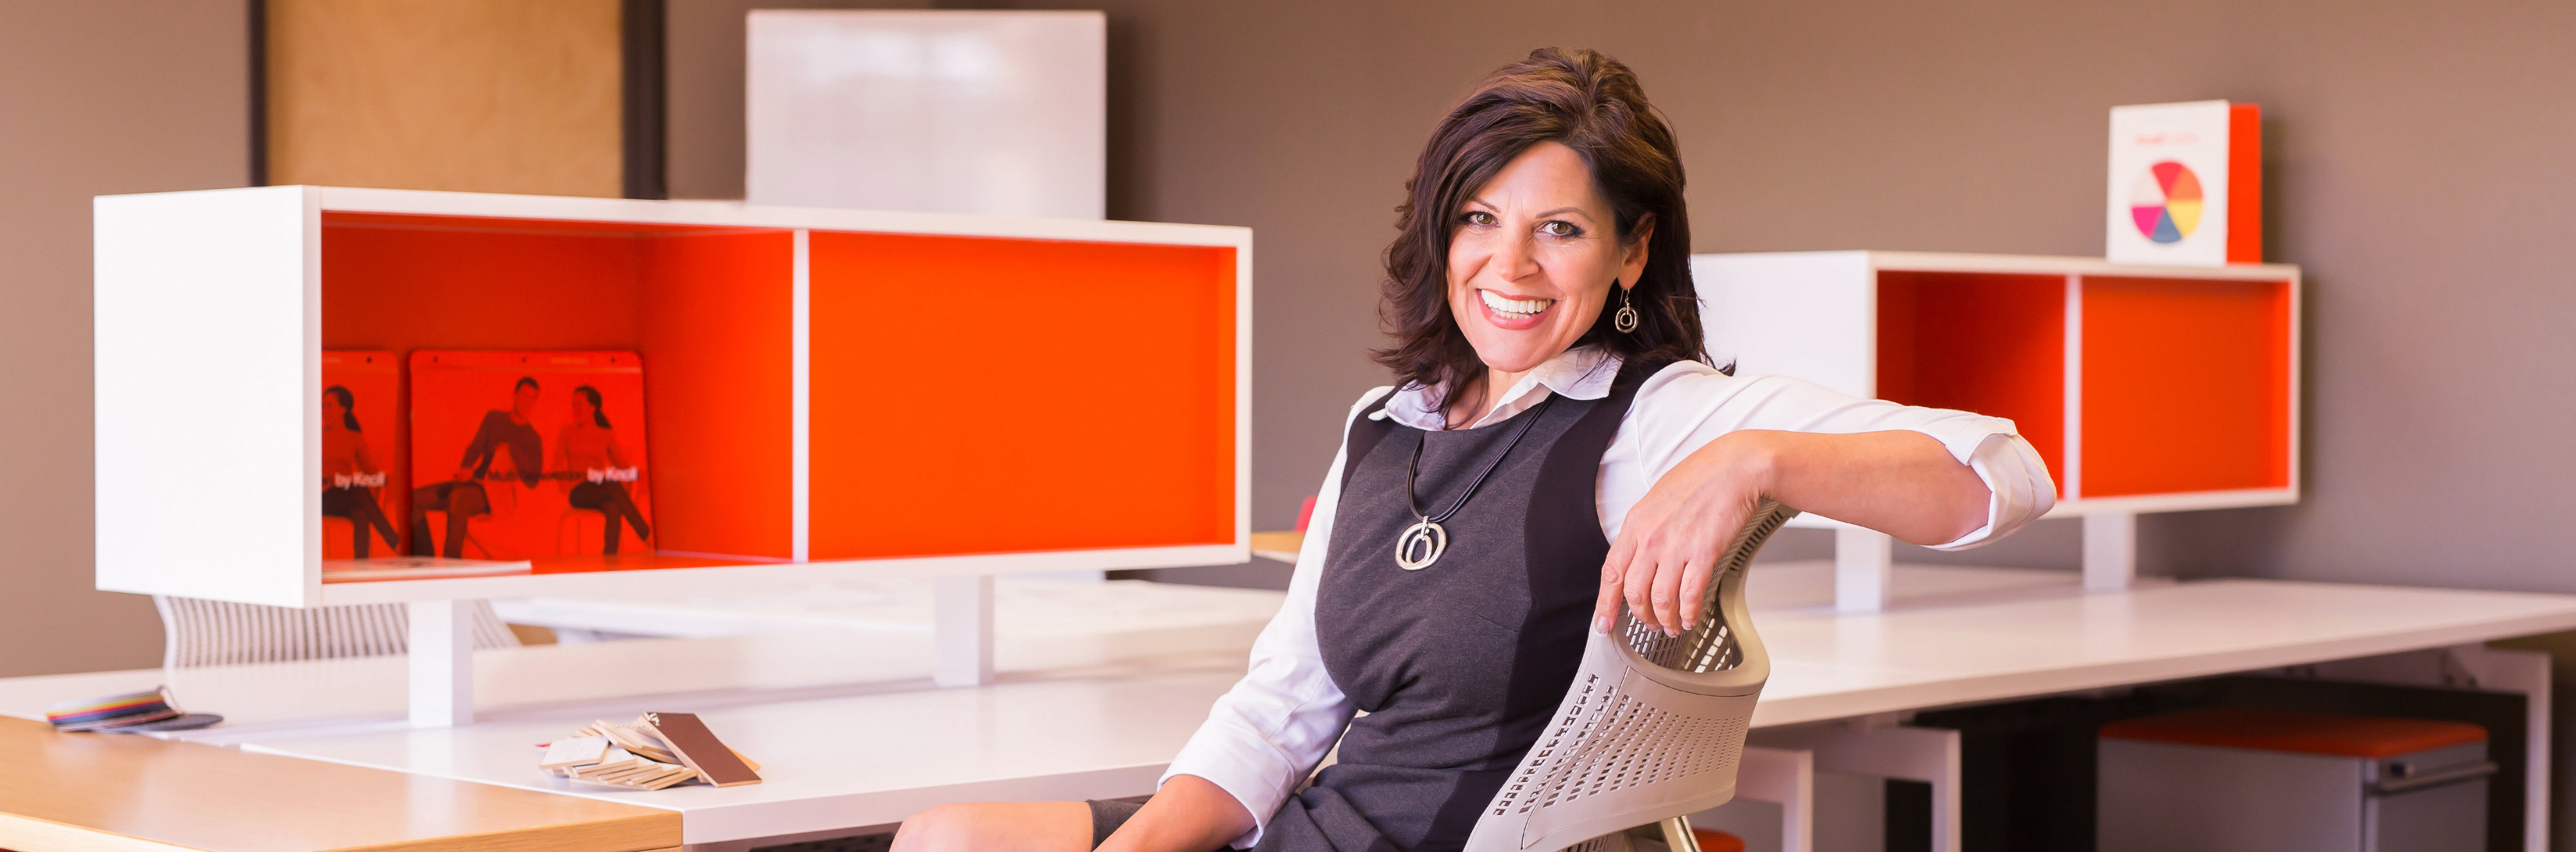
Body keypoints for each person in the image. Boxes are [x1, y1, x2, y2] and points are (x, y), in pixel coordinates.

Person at [893, 48, 2056, 852]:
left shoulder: (1656, 417)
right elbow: (1281, 708)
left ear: (1630, 252)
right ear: (1441, 231)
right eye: (1479, 219)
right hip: (1327, 817)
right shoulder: (1384, 423)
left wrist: (1755, 457)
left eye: (1559, 229)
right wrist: (1146, 840)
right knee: (947, 832)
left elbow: (2005, 475)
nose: (1510, 267)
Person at [410, 376, 545, 558]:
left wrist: (513, 449)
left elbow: (534, 481)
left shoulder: (533, 439)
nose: (527, 402)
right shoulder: (494, 418)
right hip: (474, 483)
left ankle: (452, 568)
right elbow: (475, 448)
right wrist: (465, 467)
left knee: (458, 500)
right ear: (515, 395)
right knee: (415, 499)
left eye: (533, 398)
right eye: (524, 396)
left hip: (498, 495)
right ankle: (425, 562)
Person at [556, 384, 651, 554]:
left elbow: (622, 463)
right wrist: (562, 481)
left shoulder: (605, 435)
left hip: (601, 487)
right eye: (574, 404)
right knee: (611, 483)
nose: (575, 409)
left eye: (580, 404)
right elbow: (556, 464)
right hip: (578, 491)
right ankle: (645, 534)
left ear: (593, 408)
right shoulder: (566, 432)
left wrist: (640, 474)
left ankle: (610, 560)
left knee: (613, 508)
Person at [318, 385, 399, 558]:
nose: (324, 410)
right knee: (359, 492)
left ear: (343, 409)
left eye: (329, 406)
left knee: (361, 514)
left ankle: (361, 564)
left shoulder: (355, 438)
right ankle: (395, 542)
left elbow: (372, 472)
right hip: (321, 497)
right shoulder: (315, 436)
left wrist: (391, 479)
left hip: (346, 495)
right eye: (322, 406)